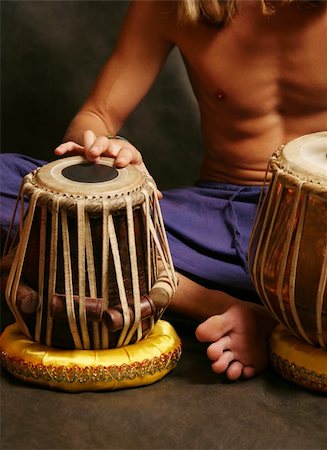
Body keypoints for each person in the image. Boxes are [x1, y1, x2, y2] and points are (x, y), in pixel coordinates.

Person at [1, 0, 327, 381]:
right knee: (10, 180)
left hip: (315, 229)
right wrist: (104, 154)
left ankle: (162, 287)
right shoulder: (175, 4)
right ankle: (236, 309)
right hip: (211, 219)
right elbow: (98, 115)